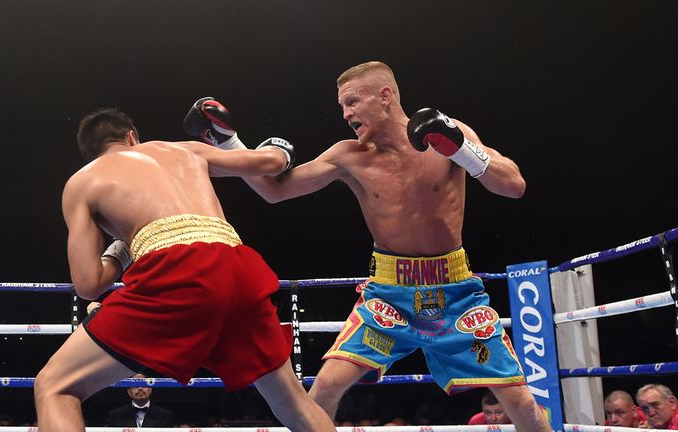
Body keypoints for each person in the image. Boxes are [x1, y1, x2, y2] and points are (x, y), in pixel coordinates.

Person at [184, 61, 550, 431]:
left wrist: (460, 148)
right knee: (325, 385)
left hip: (457, 293)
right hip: (388, 296)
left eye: (352, 102)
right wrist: (229, 141)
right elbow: (274, 190)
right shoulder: (349, 155)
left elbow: (514, 185)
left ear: (385, 96)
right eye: (343, 105)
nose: (346, 114)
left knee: (522, 403)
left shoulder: (449, 134)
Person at [33, 108, 335, 432]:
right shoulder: (182, 149)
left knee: (55, 386)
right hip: (239, 266)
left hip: (178, 273)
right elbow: (272, 162)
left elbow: (88, 284)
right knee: (294, 403)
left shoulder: (83, 181)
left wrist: (122, 251)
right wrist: (279, 148)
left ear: (90, 154)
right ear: (132, 137)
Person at [105, 373, 174, 427]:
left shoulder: (165, 414)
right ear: (129, 392)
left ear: (150, 389)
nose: (140, 388)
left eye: (144, 384)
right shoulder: (116, 414)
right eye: (135, 385)